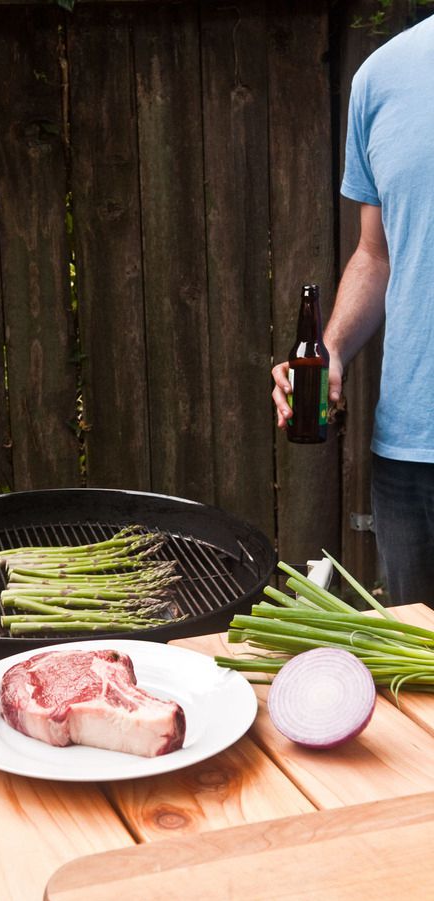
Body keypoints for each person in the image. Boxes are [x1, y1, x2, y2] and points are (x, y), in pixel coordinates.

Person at [272, 13, 434, 606]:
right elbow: (377, 254)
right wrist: (330, 350)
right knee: (417, 681)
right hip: (411, 452)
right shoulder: (381, 77)